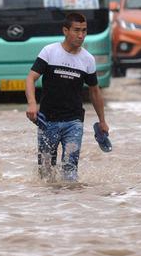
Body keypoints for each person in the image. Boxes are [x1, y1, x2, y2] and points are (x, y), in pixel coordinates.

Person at [25, 12, 109, 182]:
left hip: (74, 122)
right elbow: (30, 78)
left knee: (70, 169)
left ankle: (71, 204)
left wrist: (102, 120)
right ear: (65, 30)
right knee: (46, 172)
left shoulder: (88, 59)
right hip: (47, 120)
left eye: (84, 30)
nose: (81, 35)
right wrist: (32, 104)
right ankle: (50, 206)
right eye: (76, 30)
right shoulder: (49, 52)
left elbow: (95, 91)